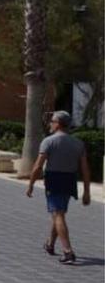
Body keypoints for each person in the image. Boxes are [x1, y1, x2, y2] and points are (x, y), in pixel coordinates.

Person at [26, 111, 92, 264]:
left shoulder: (49, 141)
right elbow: (85, 169)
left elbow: (38, 166)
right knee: (58, 213)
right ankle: (50, 244)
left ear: (58, 124)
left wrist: (31, 184)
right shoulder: (78, 143)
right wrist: (86, 191)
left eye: (52, 121)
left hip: (54, 179)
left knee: (58, 214)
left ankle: (68, 251)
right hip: (69, 180)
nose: (50, 124)